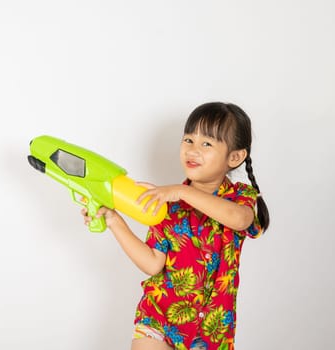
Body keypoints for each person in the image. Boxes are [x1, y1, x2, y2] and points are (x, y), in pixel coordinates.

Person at [82, 102, 270, 350]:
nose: (193, 150)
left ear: (234, 157)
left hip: (212, 335)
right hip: (159, 319)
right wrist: (115, 221)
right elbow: (152, 263)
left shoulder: (239, 197)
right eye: (188, 140)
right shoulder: (166, 205)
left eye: (207, 144)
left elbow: (240, 219)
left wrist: (181, 191)